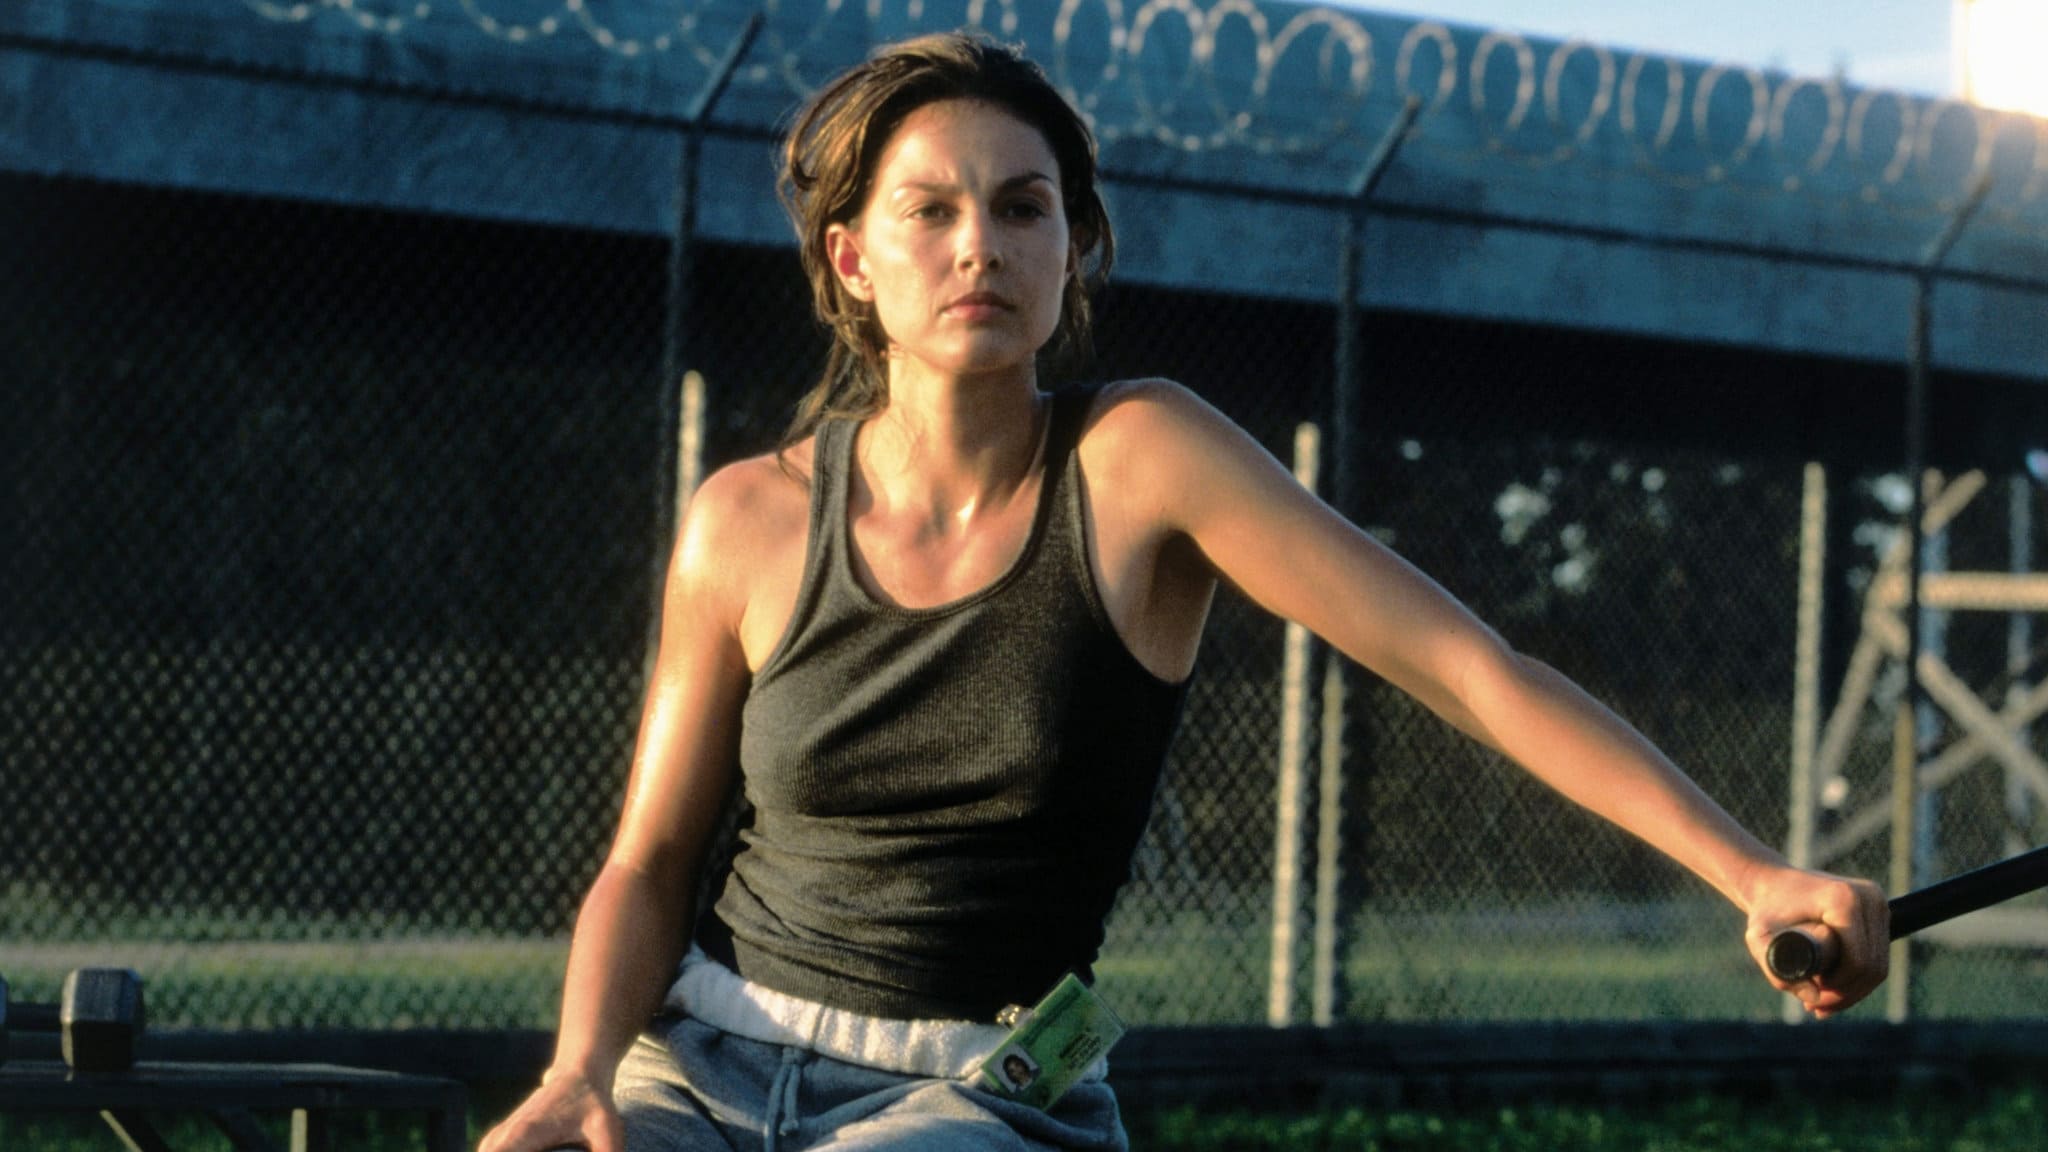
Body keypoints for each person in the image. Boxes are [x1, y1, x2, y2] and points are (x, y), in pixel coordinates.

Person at [480, 30, 1889, 1152]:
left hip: (978, 1093)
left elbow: (1469, 671)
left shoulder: (1143, 460)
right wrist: (578, 1073)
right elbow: (648, 863)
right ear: (853, 258)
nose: (981, 246)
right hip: (703, 1061)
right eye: (932, 210)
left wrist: (1752, 873)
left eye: (1024, 208)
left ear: (1071, 249)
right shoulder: (745, 518)